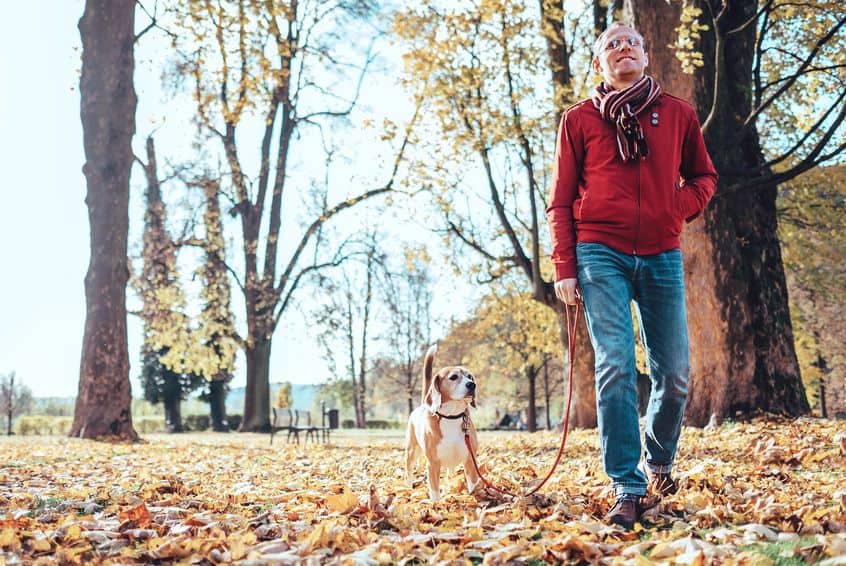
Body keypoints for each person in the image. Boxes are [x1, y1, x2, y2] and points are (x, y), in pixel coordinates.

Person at [546, 22, 718, 530]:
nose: (623, 49)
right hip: (599, 252)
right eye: (612, 45)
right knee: (617, 366)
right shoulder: (578, 121)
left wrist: (673, 208)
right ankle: (626, 483)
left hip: (662, 253)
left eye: (632, 43)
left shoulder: (678, 114)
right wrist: (564, 266)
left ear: (646, 56)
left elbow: (704, 177)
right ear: (600, 63)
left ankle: (659, 463)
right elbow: (559, 201)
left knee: (676, 373)